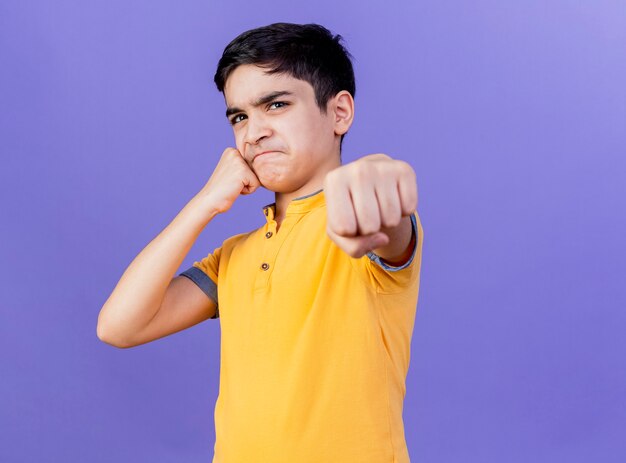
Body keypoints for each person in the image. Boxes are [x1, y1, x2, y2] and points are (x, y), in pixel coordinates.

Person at [97, 22, 424, 463]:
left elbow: (388, 223)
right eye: (239, 117)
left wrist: (381, 176)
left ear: (340, 113)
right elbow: (118, 326)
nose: (253, 132)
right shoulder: (233, 257)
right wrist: (205, 203)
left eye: (277, 104)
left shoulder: (359, 219)